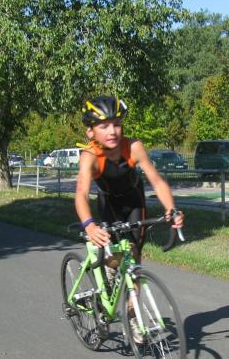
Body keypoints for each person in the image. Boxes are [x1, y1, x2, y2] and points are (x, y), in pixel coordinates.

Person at [74, 95, 184, 263]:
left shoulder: (134, 147)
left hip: (134, 201)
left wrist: (171, 209)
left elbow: (157, 182)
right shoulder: (90, 156)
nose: (112, 131)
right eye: (104, 126)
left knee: (134, 254)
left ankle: (133, 279)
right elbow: (81, 194)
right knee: (113, 258)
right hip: (109, 203)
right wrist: (89, 224)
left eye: (117, 124)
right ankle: (109, 272)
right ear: (90, 132)